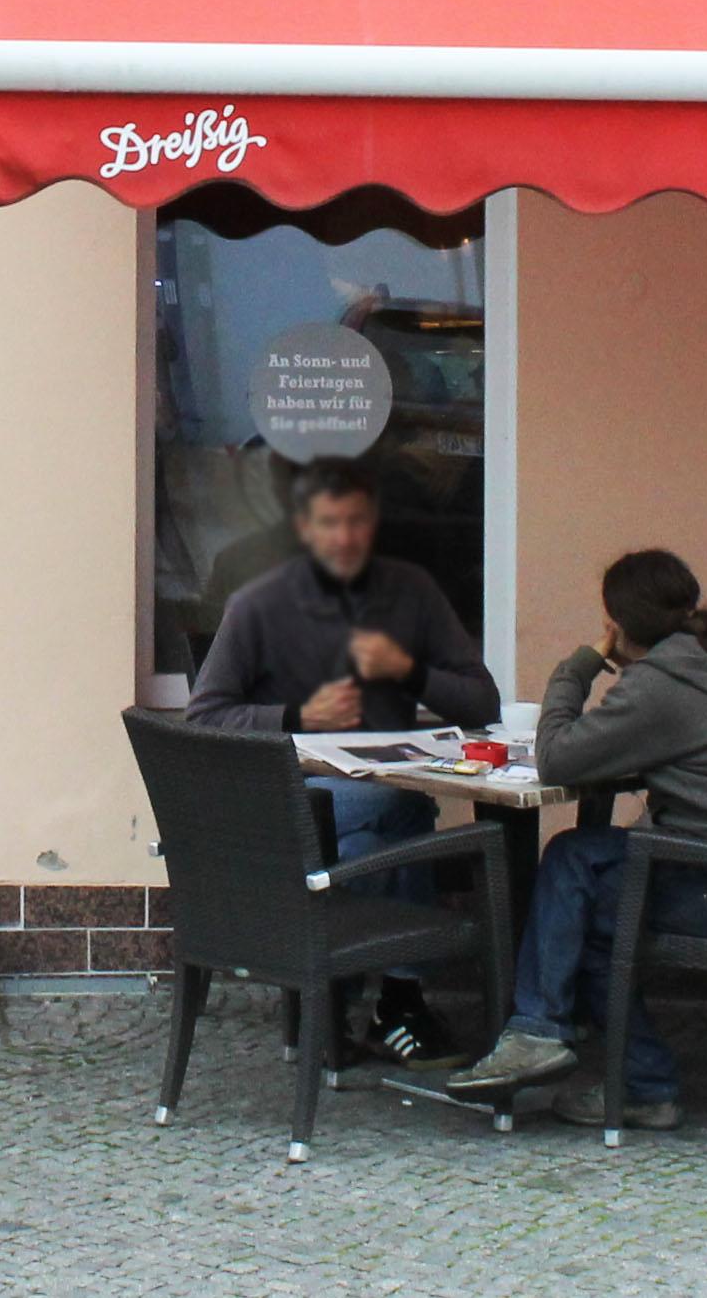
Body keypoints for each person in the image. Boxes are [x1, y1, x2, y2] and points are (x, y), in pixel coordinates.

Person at [447, 550, 707, 1129]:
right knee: (576, 859)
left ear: (621, 625)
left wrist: (578, 666)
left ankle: (615, 1069)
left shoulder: (659, 686)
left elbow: (556, 758)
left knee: (594, 913)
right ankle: (544, 1032)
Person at [186, 455, 496, 1065]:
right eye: (330, 523)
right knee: (400, 806)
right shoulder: (260, 605)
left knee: (366, 846)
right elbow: (204, 717)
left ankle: (347, 1001)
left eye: (357, 521)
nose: (345, 538)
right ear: (304, 529)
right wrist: (298, 716)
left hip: (370, 806)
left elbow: (480, 698)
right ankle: (396, 1001)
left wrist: (408, 671)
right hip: (288, 802)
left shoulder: (410, 593)